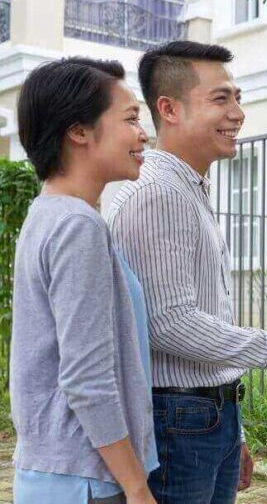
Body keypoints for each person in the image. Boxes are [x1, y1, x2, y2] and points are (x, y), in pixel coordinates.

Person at [107, 41, 267, 503]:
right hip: (178, 421)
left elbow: (208, 314)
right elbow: (169, 323)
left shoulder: (188, 188)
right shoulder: (157, 194)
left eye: (237, 98)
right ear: (169, 109)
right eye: (221, 99)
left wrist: (232, 429)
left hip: (207, 416)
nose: (238, 114)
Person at [11, 57, 158, 503]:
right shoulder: (77, 225)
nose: (143, 134)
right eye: (130, 118)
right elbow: (86, 378)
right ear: (78, 131)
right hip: (87, 478)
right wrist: (136, 487)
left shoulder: (48, 214)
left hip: (59, 473)